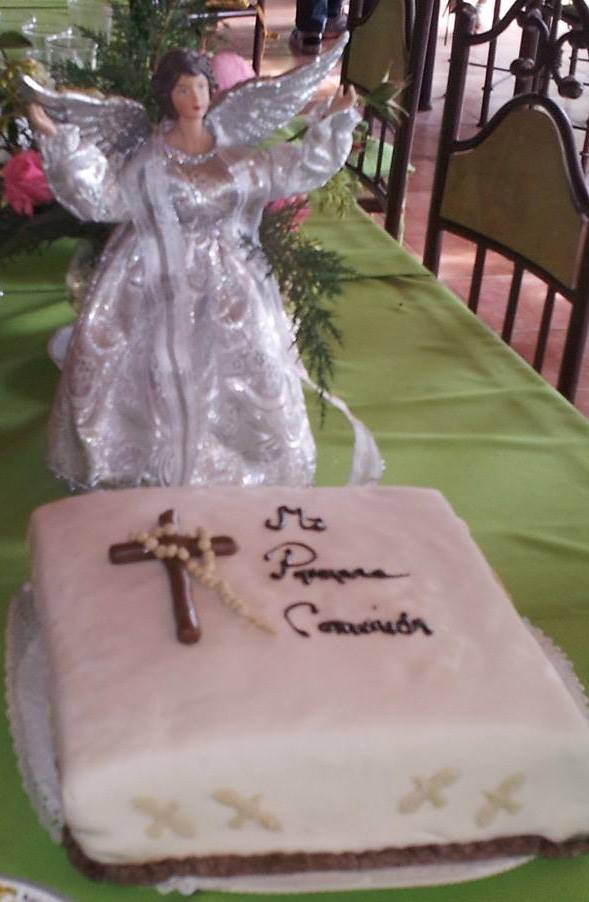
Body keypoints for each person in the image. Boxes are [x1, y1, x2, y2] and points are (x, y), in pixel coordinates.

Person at [26, 44, 380, 490]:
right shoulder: (148, 161)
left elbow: (293, 171)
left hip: (229, 286)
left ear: (212, 91)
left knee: (247, 369)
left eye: (200, 87)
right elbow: (104, 199)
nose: (194, 98)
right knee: (143, 371)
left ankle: (244, 462)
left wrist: (335, 123)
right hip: (151, 278)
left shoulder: (236, 158)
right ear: (167, 96)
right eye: (183, 89)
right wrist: (61, 144)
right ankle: (140, 459)